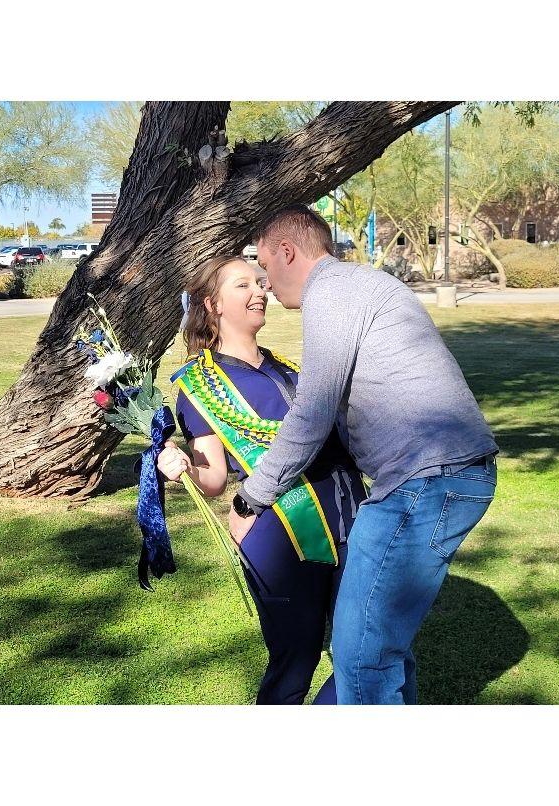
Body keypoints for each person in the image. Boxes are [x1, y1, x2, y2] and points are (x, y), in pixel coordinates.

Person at [230, 205, 499, 705]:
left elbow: (311, 414)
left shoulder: (332, 292)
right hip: (436, 477)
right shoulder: (356, 285)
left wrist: (250, 499)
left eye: (265, 266)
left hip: (427, 480)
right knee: (379, 649)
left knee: (360, 654)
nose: (265, 282)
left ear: (287, 251)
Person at [157, 255, 367, 705]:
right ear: (212, 304)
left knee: (366, 652)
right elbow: (214, 477)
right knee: (295, 661)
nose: (260, 291)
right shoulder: (199, 384)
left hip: (351, 520)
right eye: (243, 285)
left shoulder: (287, 367)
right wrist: (181, 466)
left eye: (260, 281)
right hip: (280, 535)